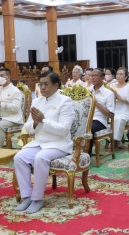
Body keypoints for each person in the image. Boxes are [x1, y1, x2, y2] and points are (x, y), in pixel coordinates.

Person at [14, 72, 75, 214]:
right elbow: (28, 127)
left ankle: (37, 199)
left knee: (40, 158)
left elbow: (64, 130)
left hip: (59, 144)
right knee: (19, 157)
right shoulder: (37, 101)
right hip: (39, 142)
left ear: (56, 85)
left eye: (45, 84)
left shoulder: (65, 101)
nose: (42, 88)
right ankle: (27, 196)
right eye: (40, 84)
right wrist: (35, 122)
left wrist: (43, 120)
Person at [89, 68, 115, 155]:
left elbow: (110, 114)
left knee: (88, 129)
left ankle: (86, 154)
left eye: (96, 76)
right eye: (92, 75)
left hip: (99, 121)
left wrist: (95, 102)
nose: (93, 78)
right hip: (86, 118)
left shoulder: (108, 93)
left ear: (102, 78)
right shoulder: (87, 90)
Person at [112, 67, 129, 148]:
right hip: (114, 110)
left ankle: (115, 141)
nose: (118, 76)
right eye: (117, 74)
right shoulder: (112, 86)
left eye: (121, 74)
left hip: (127, 111)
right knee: (113, 117)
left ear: (126, 77)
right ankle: (111, 139)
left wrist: (119, 97)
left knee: (119, 119)